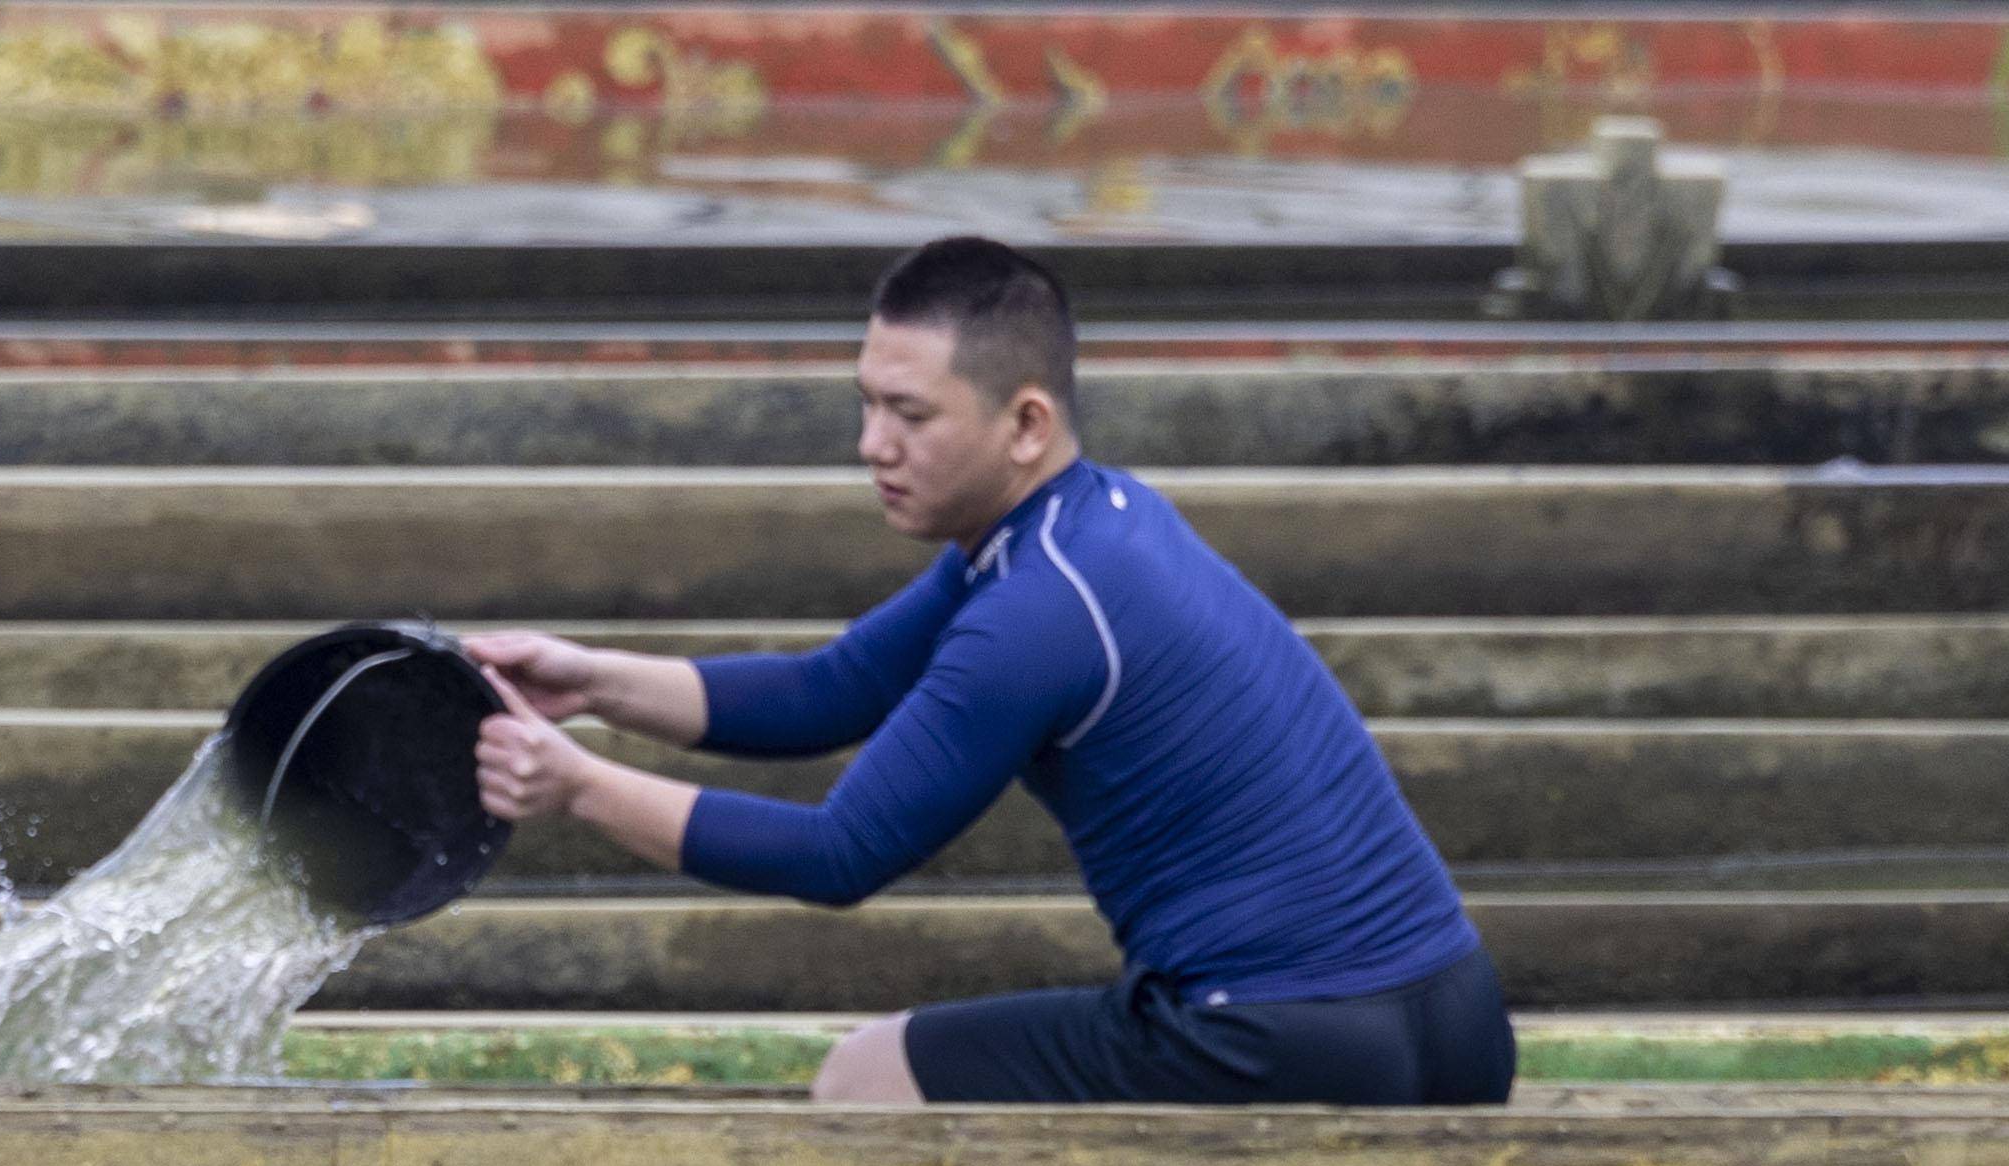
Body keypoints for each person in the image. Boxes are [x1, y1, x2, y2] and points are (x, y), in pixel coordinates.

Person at [467, 235, 1510, 1109]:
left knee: (866, 1079)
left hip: (1280, 1041)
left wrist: (580, 788)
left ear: (1025, 425)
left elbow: (840, 855)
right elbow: (827, 690)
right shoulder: (1085, 525)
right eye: (866, 403)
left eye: (909, 415)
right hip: (1458, 1018)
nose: (869, 444)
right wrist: (593, 680)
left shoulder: (1037, 611)